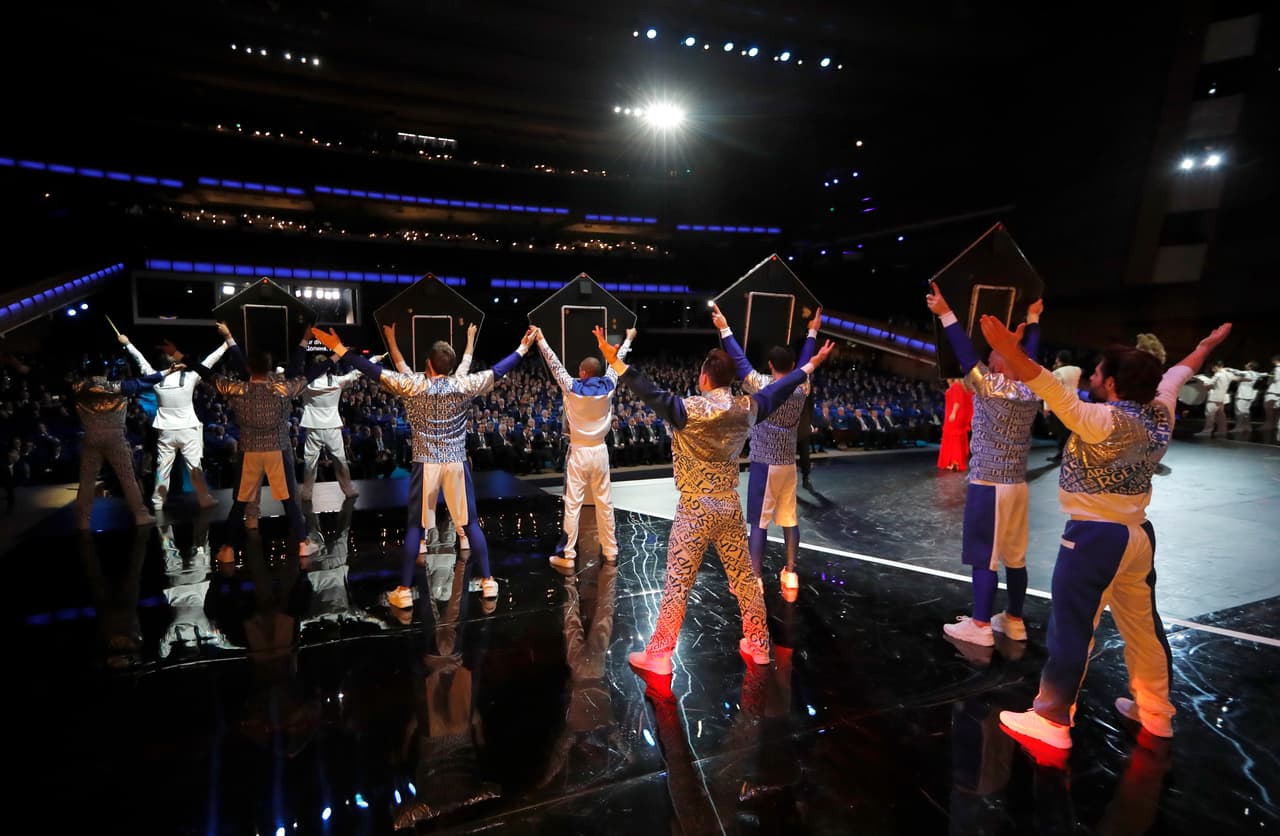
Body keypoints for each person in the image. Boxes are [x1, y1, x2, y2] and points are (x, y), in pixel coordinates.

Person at [983, 316, 1232, 750]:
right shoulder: (1162, 412)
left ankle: (1054, 719)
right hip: (1138, 536)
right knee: (1143, 628)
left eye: (1098, 373)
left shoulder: (1100, 419)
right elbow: (1177, 373)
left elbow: (1045, 385)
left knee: (1073, 627)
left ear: (1113, 384)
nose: (1092, 377)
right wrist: (1204, 347)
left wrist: (1010, 349)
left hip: (1095, 538)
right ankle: (1156, 713)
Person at [608, 322, 835, 674]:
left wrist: (618, 363)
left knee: (678, 582)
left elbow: (648, 391)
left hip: (695, 509)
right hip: (728, 504)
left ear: (703, 378)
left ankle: (660, 655)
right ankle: (759, 645)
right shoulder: (747, 407)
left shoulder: (688, 409)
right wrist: (811, 365)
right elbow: (780, 389)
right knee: (745, 579)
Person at [310, 323, 536, 610]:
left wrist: (339, 348)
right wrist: (523, 348)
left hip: (426, 462)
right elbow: (499, 370)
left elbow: (371, 370)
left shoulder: (414, 385)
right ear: (450, 366)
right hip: (455, 461)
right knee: (469, 523)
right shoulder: (463, 384)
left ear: (428, 364)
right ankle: (489, 581)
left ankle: (404, 590)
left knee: (416, 526)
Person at [927, 283, 1043, 649]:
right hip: (1018, 486)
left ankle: (979, 625)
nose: (989, 357)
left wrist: (946, 312)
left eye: (995, 354)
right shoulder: (1031, 388)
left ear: (1001, 363)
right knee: (1015, 556)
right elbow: (1031, 359)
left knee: (985, 556)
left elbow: (963, 352)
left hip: (988, 484)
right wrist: (1033, 322)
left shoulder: (991, 386)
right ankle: (1014, 620)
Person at [188, 322, 321, 560]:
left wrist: (183, 356)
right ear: (270, 367)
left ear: (250, 368)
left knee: (239, 502)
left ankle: (228, 550)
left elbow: (208, 374)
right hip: (276, 450)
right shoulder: (282, 388)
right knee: (289, 499)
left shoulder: (238, 388)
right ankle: (303, 543)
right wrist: (333, 355)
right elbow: (307, 373)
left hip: (249, 451)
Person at [717, 304, 819, 598]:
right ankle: (790, 572)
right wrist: (812, 330)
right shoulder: (802, 387)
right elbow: (806, 362)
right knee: (789, 519)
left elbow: (738, 357)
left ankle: (755, 577)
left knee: (758, 524)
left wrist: (724, 327)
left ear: (771, 366)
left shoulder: (761, 385)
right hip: (787, 465)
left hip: (764, 464)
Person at [534, 325, 633, 570]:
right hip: (600, 450)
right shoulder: (609, 385)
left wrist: (541, 339)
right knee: (604, 502)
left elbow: (553, 362)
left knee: (572, 503)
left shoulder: (571, 386)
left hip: (578, 452)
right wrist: (629, 338)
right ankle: (610, 551)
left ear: (583, 372)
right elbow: (617, 361)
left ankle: (567, 554)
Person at [119, 331, 229, 511]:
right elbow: (209, 361)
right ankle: (203, 498)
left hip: (166, 431)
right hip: (188, 430)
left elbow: (140, 360)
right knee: (195, 466)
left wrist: (128, 343)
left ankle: (157, 502)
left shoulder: (154, 377)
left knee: (163, 468)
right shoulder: (191, 376)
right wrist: (226, 344)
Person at [73, 358, 175, 529]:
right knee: (127, 478)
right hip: (115, 437)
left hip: (90, 437)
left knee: (87, 480)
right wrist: (168, 371)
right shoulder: (117, 387)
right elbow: (143, 382)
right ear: (105, 373)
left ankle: (83, 521)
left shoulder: (80, 388)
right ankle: (140, 515)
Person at [298, 352, 363, 501]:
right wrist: (373, 360)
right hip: (331, 426)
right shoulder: (336, 381)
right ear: (327, 367)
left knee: (310, 461)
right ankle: (348, 489)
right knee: (340, 459)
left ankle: (307, 492)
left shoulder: (305, 383)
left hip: (313, 426)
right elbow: (356, 373)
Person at [1044, 350, 1082, 464]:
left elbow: (1052, 390)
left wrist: (1047, 407)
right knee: (1069, 431)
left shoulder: (1057, 372)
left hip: (1062, 405)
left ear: (1058, 359)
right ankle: (1068, 454)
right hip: (1074, 403)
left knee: (1061, 432)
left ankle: (1061, 455)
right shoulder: (1077, 370)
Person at [1193, 361, 1239, 438]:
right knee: (1220, 415)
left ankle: (1207, 431)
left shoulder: (1218, 374)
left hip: (1214, 397)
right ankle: (1222, 430)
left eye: (1212, 368)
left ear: (1216, 367)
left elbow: (1209, 384)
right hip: (1222, 397)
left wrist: (1203, 382)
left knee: (1210, 414)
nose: (1212, 369)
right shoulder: (1228, 374)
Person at [938, 378, 973, 471]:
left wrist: (953, 413)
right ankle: (954, 461)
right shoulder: (959, 385)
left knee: (954, 438)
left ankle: (956, 462)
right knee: (955, 437)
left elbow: (957, 401)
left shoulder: (957, 385)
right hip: (955, 413)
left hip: (955, 414)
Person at [1230, 361, 1262, 439]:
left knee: (1239, 411)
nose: (1245, 364)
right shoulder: (1257, 374)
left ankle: (1239, 427)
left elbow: (1237, 372)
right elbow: (1263, 374)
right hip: (1249, 393)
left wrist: (1228, 369)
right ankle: (1247, 426)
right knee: (1246, 411)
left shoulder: (1246, 373)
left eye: (1247, 364)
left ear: (1250, 367)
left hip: (1242, 393)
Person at [1265, 355, 1280, 444]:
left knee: (1271, 409)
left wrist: (1269, 375)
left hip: (1276, 392)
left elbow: (1276, 378)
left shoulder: (1277, 369)